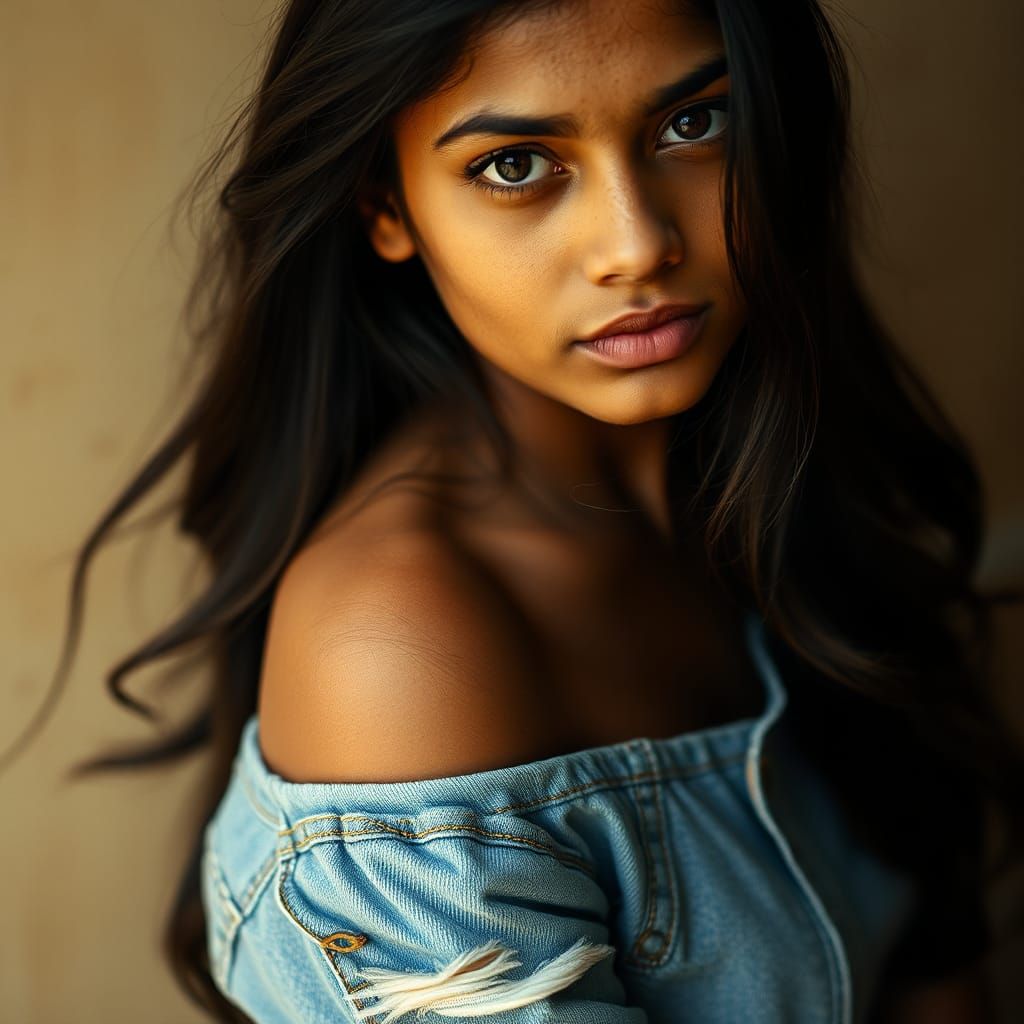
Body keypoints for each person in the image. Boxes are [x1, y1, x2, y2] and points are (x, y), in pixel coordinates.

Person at [14, 0, 1024, 1021]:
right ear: (386, 206)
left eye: (693, 124)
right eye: (514, 166)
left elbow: (938, 968)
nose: (635, 244)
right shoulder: (399, 645)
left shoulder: (781, 475)